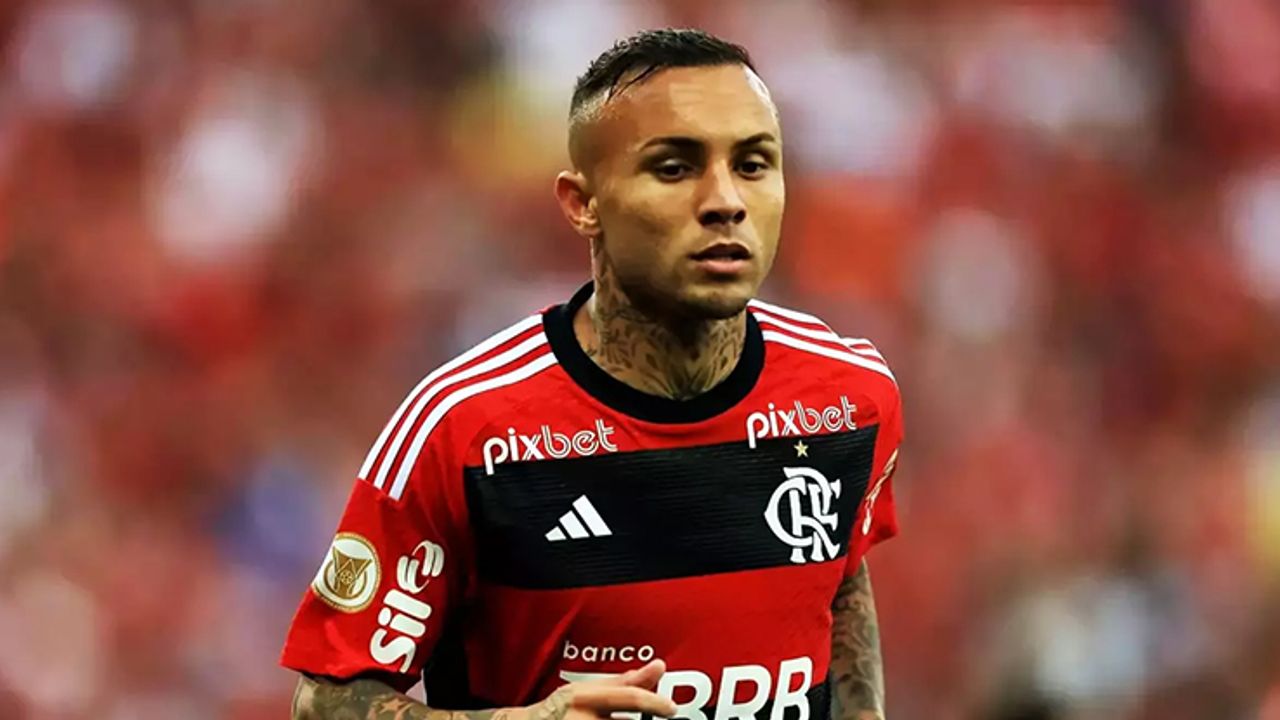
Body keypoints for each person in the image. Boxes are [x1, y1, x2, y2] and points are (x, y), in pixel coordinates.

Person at [283, 28, 904, 720]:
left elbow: (841, 579)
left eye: (753, 164)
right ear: (583, 204)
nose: (726, 200)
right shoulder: (463, 430)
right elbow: (326, 700)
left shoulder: (849, 399)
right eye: (675, 168)